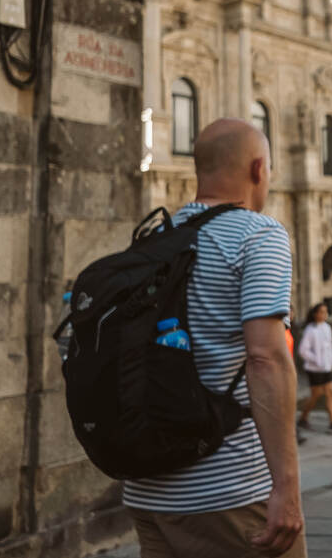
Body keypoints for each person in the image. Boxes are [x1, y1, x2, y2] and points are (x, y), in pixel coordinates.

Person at [124, 119, 304, 558]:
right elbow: (265, 358)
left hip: (147, 492)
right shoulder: (258, 234)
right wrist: (286, 487)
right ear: (259, 169)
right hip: (230, 491)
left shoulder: (154, 239)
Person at [297, 302, 332, 434]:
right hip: (314, 369)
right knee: (316, 394)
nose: (324, 315)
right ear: (315, 314)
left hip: (326, 367)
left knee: (330, 392)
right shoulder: (310, 330)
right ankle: (303, 417)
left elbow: (329, 347)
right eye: (322, 312)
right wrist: (316, 360)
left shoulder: (327, 327)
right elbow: (303, 350)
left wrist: (330, 361)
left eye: (326, 312)